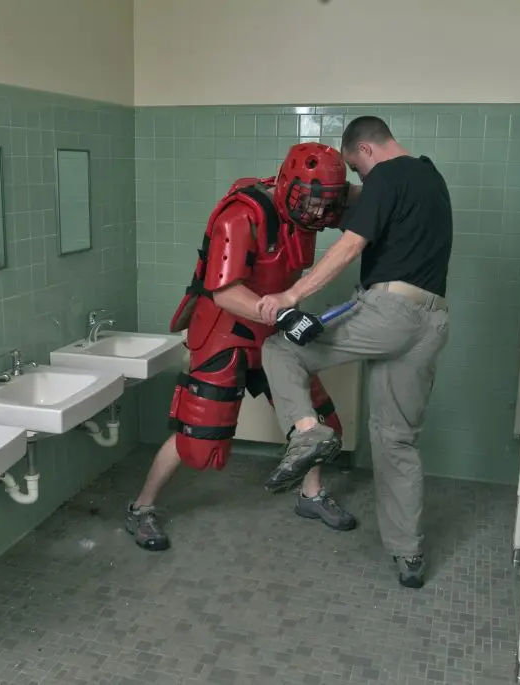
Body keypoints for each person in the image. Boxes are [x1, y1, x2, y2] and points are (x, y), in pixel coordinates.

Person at [126, 143, 357, 551]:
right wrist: (284, 315)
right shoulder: (240, 217)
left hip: (271, 332)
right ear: (288, 186)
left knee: (319, 423)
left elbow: (359, 213)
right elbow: (222, 291)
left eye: (327, 204)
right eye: (312, 202)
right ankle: (141, 508)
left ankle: (311, 495)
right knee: (196, 435)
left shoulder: (309, 214)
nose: (318, 213)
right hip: (225, 331)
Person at [256, 116, 453, 589]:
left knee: (281, 348)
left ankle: (307, 433)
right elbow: (362, 214)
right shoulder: (429, 176)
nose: (360, 180)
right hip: (433, 321)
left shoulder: (384, 174)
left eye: (355, 169)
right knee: (396, 440)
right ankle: (408, 555)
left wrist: (291, 295)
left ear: (365, 150)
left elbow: (350, 245)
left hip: (390, 312)